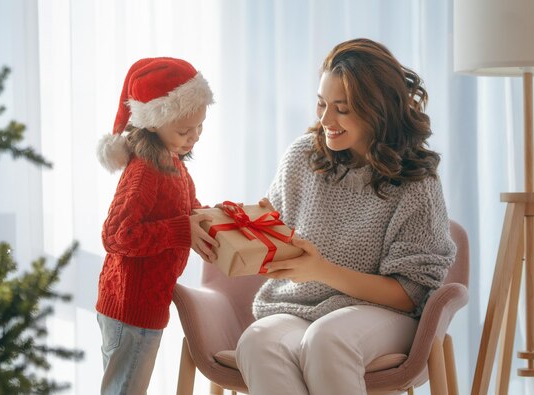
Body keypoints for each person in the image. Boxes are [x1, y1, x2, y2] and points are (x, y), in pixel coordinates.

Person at [235, 38, 456, 395]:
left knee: (328, 340)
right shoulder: (303, 157)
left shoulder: (416, 180)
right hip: (297, 307)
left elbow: (409, 293)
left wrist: (323, 270)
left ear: (377, 110)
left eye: (342, 108)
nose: (325, 119)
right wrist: (240, 229)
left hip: (385, 314)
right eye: (321, 104)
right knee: (258, 342)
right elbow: (275, 233)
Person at [95, 57, 218, 395]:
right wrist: (182, 231)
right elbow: (116, 235)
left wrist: (220, 218)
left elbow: (189, 209)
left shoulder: (173, 163)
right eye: (184, 131)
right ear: (154, 123)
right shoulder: (145, 172)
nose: (194, 138)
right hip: (129, 309)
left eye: (199, 127)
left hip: (148, 306)